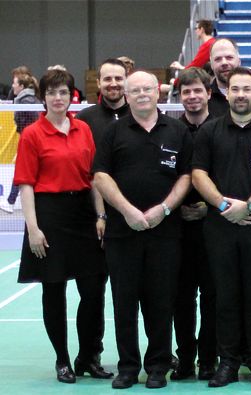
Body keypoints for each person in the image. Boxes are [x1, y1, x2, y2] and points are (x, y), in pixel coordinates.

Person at [92, 71, 193, 389]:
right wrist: (127, 211)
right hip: (123, 233)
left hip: (165, 234)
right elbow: (100, 176)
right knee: (124, 302)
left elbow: (186, 176)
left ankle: (158, 366)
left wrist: (163, 210)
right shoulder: (113, 132)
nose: (141, 94)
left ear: (157, 92)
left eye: (147, 89)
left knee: (161, 301)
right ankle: (127, 367)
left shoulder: (177, 131)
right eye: (134, 90)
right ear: (127, 94)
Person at [13, 69, 110, 384]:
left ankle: (87, 356)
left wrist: (100, 215)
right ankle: (62, 360)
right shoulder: (32, 135)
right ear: (43, 97)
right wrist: (33, 228)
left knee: (93, 290)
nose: (58, 98)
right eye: (52, 93)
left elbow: (94, 179)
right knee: (54, 291)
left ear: (72, 97)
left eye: (64, 93)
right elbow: (26, 184)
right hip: (50, 216)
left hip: (83, 213)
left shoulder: (83, 129)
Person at [191, 66, 251, 388]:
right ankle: (227, 362)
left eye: (248, 89)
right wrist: (222, 205)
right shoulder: (209, 132)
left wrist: (249, 205)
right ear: (226, 93)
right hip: (219, 227)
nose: (242, 94)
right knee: (225, 297)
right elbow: (198, 174)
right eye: (236, 89)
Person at [169, 67, 218, 382]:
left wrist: (209, 210)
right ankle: (185, 358)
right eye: (186, 92)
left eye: (197, 90)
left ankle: (210, 359)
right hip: (177, 231)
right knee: (181, 298)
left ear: (208, 93)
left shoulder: (221, 129)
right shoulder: (171, 132)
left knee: (214, 296)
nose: (192, 96)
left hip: (215, 229)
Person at [3, 69, 40, 213]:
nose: (12, 86)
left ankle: (10, 202)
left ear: (22, 86)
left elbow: (32, 121)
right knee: (24, 171)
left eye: (15, 84)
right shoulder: (25, 99)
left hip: (30, 142)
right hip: (27, 140)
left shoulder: (27, 102)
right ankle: (10, 202)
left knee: (21, 171)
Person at [207, 38, 251, 118]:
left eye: (229, 57)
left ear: (239, 61)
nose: (224, 63)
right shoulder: (205, 99)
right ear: (211, 65)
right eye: (218, 59)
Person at [76, 59, 130, 144]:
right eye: (107, 79)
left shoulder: (139, 116)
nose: (113, 84)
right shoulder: (83, 119)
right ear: (98, 83)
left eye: (118, 79)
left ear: (126, 81)